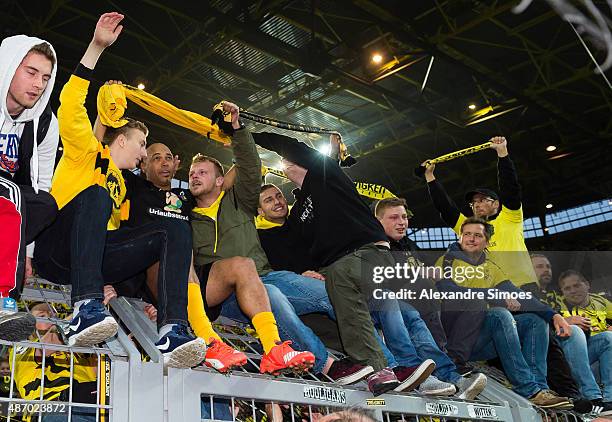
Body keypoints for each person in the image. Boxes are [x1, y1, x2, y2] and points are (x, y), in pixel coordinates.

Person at [33, 12, 205, 368]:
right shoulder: (86, 151)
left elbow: (116, 243)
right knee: (94, 196)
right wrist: (96, 47)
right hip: (55, 248)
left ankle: (173, 328)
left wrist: (121, 289)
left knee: (173, 225)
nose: (145, 152)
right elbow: (70, 104)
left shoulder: (125, 189)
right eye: (142, 143)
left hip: (89, 261)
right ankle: (85, 307)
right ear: (121, 139)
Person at [251, 131, 440, 396]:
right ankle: (412, 371)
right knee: (391, 307)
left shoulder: (325, 173)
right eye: (268, 200)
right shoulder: (298, 212)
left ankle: (395, 366)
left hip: (363, 252)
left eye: (277, 196)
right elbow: (292, 249)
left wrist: (248, 136)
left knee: (370, 296)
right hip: (334, 267)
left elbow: (291, 145)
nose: (285, 163)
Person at [257, 184, 487, 399]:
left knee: (406, 311)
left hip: (337, 279)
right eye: (269, 200)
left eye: (279, 195)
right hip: (321, 290)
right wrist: (301, 274)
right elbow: (275, 273)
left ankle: (445, 374)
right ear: (258, 209)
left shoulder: (302, 225)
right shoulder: (262, 235)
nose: (277, 202)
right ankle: (401, 368)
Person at [189, 102, 322, 376]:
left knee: (331, 292)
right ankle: (326, 365)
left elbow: (250, 165)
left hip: (265, 277)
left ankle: (387, 363)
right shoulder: (184, 216)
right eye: (191, 173)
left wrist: (237, 129)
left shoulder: (239, 201)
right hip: (225, 294)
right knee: (272, 294)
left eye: (202, 172)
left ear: (219, 181)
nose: (194, 176)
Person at [435, 217, 573, 409]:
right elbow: (449, 293)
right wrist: (495, 296)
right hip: (454, 338)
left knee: (535, 320)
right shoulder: (447, 260)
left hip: (481, 338)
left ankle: (540, 389)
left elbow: (519, 295)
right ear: (460, 238)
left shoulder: (491, 267)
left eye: (477, 235)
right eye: (466, 234)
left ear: (487, 242)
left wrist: (553, 315)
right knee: (499, 313)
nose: (471, 239)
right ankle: (527, 388)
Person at [374, 197, 486, 376]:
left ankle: (456, 358)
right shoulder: (376, 245)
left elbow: (437, 273)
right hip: (397, 306)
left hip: (429, 304)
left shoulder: (409, 244)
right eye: (394, 218)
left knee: (474, 302)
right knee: (423, 284)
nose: (402, 222)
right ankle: (440, 353)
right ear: (379, 221)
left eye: (404, 217)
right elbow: (381, 280)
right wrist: (420, 274)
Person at [0, 34, 60, 341]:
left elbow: (41, 186)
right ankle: (2, 298)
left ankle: (4, 300)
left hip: (8, 213)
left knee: (46, 203)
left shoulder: (45, 123)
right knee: (8, 191)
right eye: (31, 72)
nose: (38, 84)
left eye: (46, 77)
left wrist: (27, 253)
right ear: (9, 66)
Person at [423, 136, 539, 291]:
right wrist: (429, 177)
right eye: (474, 202)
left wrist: (502, 153)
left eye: (483, 200)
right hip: (494, 293)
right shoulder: (469, 228)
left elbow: (510, 188)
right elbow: (445, 207)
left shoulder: (510, 218)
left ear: (496, 204)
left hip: (524, 287)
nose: (477, 204)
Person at [554, 270, 612, 416]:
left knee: (608, 337)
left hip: (594, 359)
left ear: (587, 285)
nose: (573, 291)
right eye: (567, 288)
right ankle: (592, 397)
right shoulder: (556, 304)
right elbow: (544, 328)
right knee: (574, 331)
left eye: (576, 285)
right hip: (566, 359)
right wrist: (565, 321)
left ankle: (609, 399)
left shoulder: (601, 301)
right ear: (562, 292)